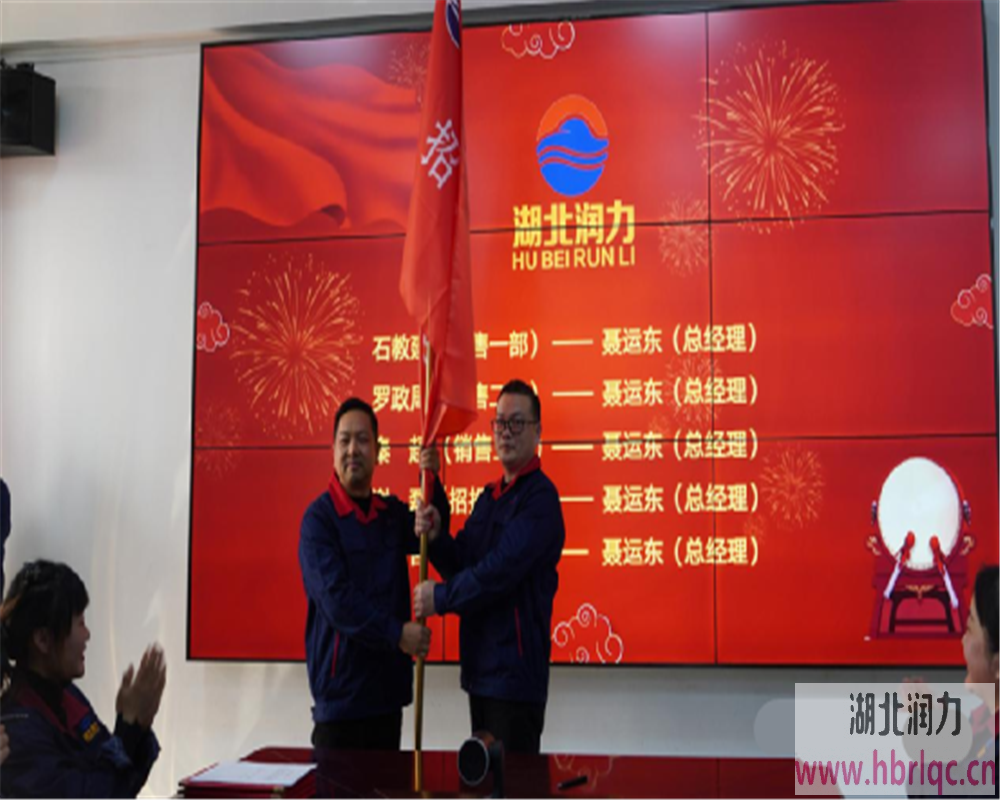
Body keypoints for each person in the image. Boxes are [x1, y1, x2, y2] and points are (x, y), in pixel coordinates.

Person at [414, 379, 565, 754]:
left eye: (517, 423)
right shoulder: (489, 499)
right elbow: (463, 561)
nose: (506, 432)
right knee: (482, 779)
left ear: (537, 432)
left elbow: (498, 573)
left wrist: (441, 599)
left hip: (514, 683)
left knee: (511, 782)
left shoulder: (541, 500)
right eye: (499, 423)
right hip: (480, 675)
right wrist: (436, 536)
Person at [299, 397, 449, 750]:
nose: (354, 449)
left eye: (363, 440)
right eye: (345, 440)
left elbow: (431, 529)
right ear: (333, 450)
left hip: (386, 701)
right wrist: (397, 634)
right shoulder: (319, 521)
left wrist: (433, 478)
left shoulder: (390, 515)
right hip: (341, 708)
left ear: (378, 452)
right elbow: (337, 601)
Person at [0, 560, 165, 798]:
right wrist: (128, 728)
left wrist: (137, 725)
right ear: (43, 640)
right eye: (80, 623)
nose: (87, 635)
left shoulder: (69, 696)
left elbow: (119, 782)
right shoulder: (17, 730)